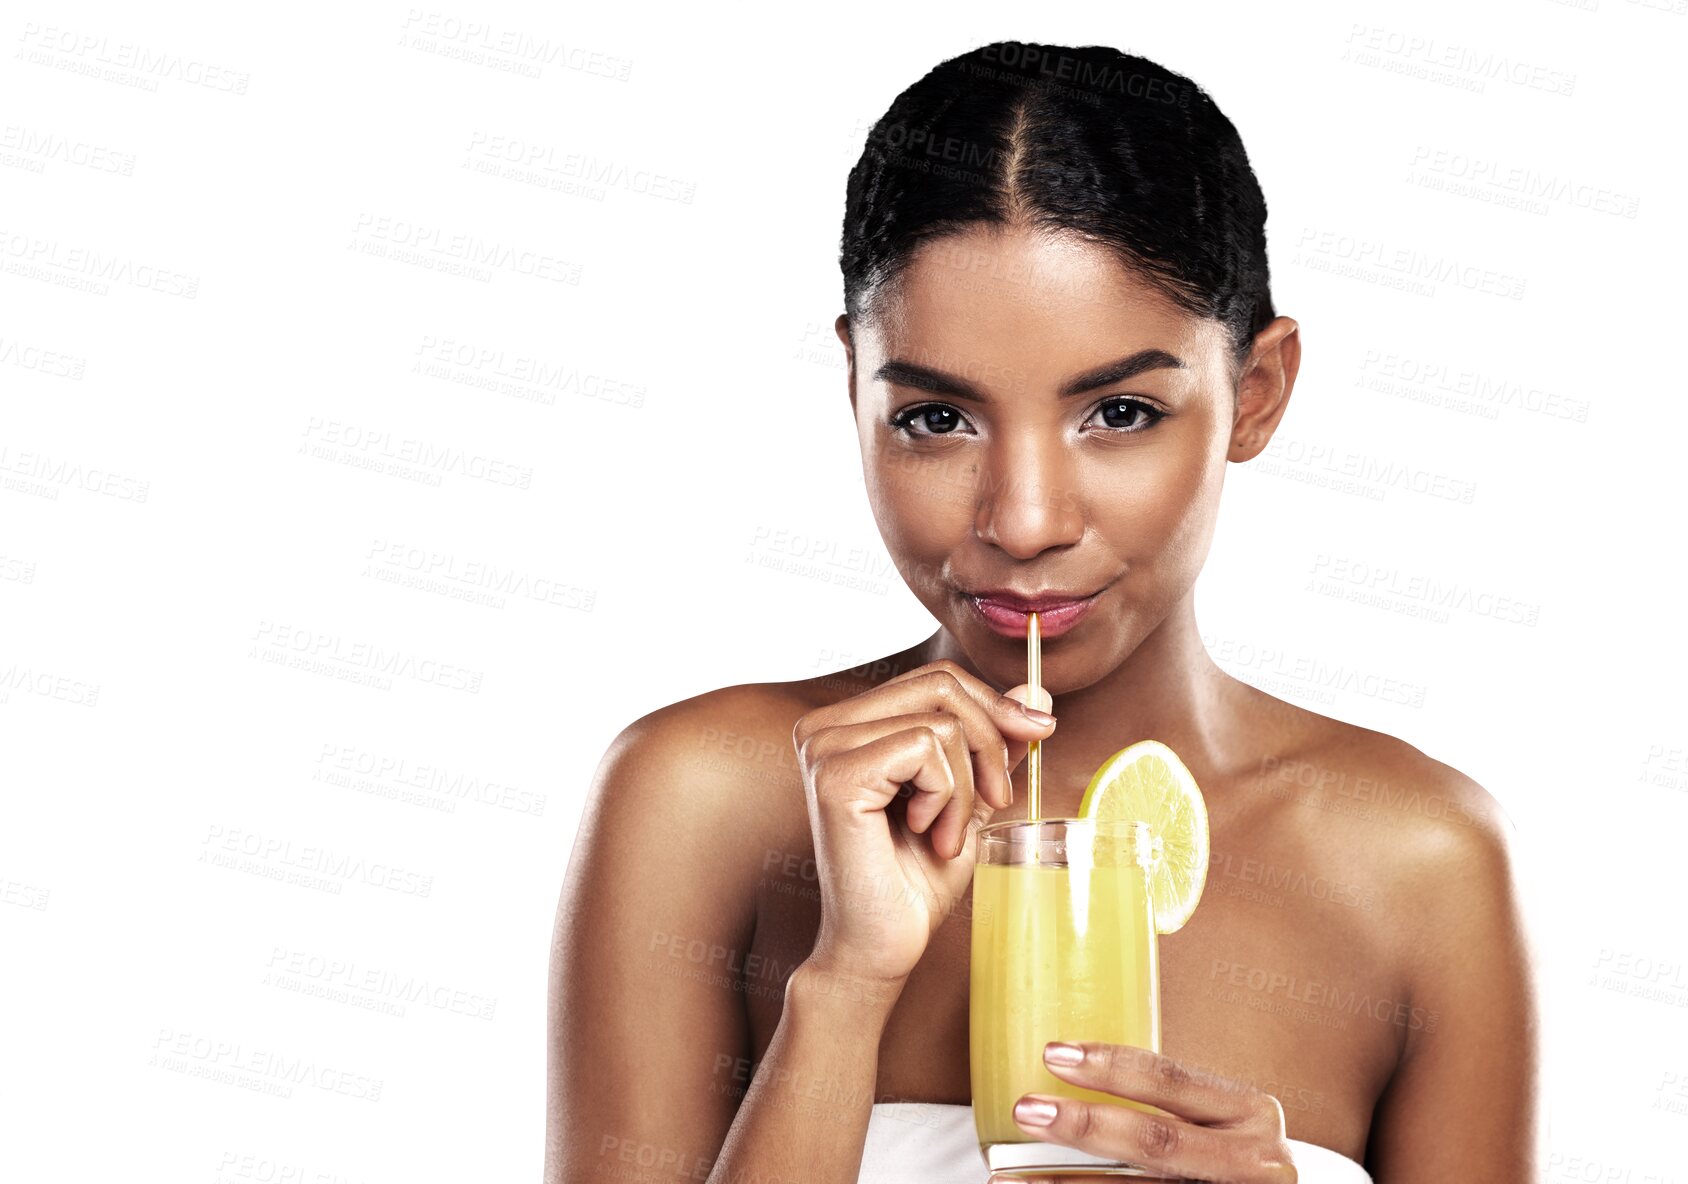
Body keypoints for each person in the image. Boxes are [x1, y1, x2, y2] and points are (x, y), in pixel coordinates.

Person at [545, 40, 1538, 1184]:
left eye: (1117, 410)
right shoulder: (703, 795)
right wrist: (842, 988)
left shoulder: (1420, 861)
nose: (1021, 521)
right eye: (934, 419)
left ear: (1253, 395)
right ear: (854, 389)